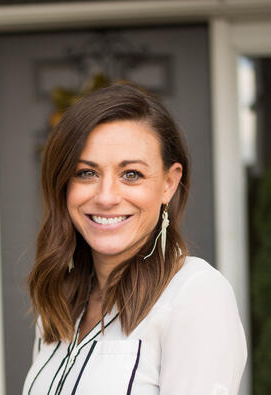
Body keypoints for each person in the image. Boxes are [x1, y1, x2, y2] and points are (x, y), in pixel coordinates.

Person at [22, 83, 247, 395]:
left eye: (131, 174)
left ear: (169, 183)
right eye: (87, 172)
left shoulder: (195, 294)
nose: (106, 197)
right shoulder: (57, 300)